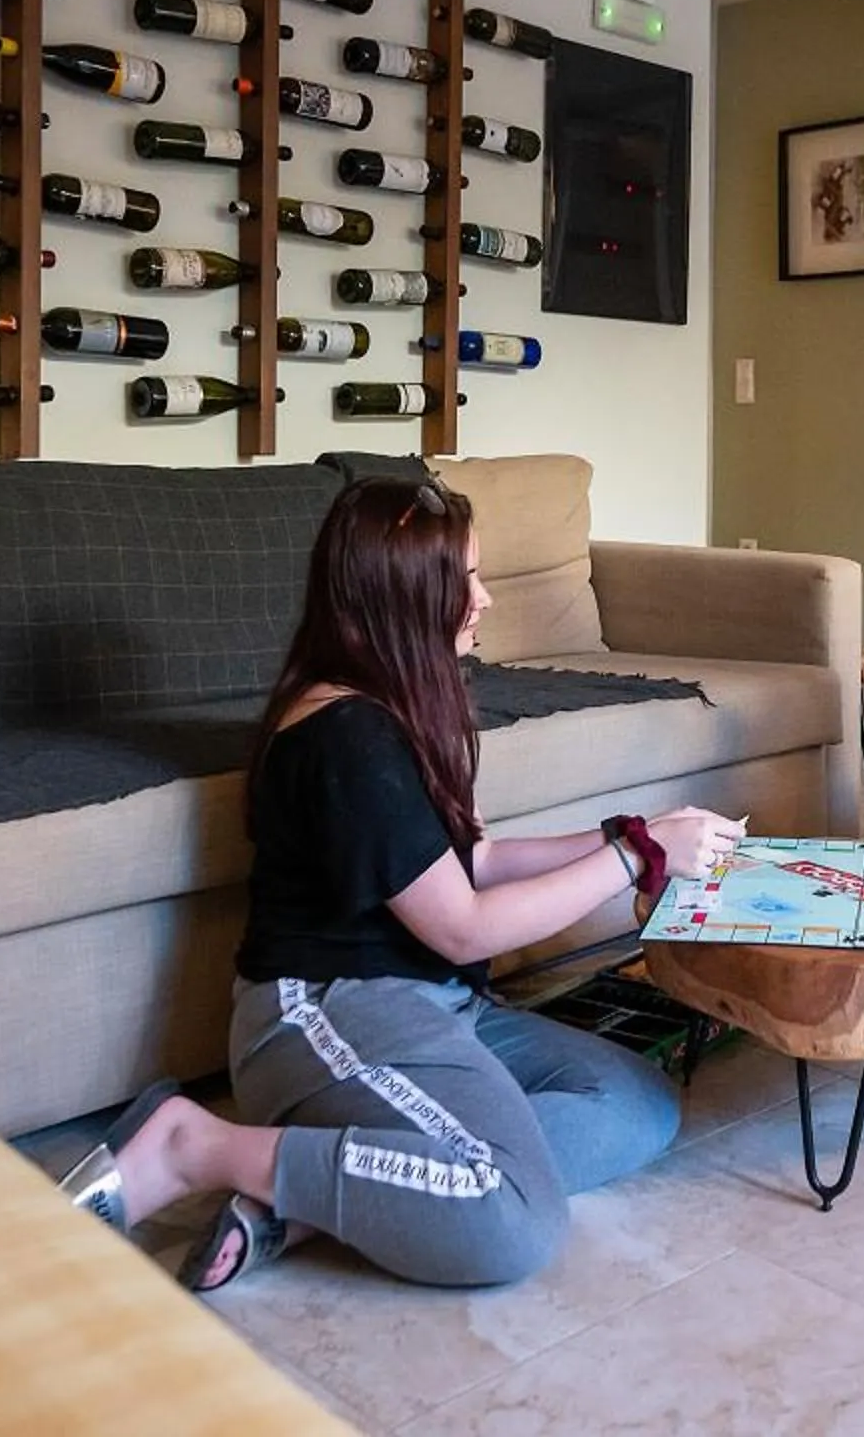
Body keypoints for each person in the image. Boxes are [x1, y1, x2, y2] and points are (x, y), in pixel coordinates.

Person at [57, 475, 745, 1288]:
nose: (484, 600)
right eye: (465, 581)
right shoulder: (346, 739)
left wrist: (628, 835)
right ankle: (195, 1146)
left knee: (637, 1106)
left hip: (437, 1006)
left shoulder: (399, 705)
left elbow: (475, 861)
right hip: (328, 1011)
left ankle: (303, 1199)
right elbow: (463, 927)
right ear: (401, 596)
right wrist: (635, 862)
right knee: (512, 1221)